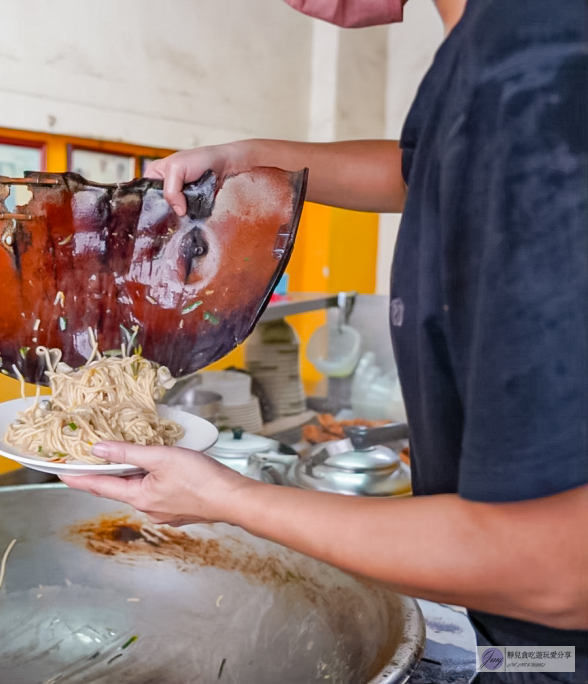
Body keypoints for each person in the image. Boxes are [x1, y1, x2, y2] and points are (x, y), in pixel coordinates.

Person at [61, 0, 588, 681]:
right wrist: (253, 160)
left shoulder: (534, 52)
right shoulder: (497, 51)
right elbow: (417, 169)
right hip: (520, 644)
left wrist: (227, 500)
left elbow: (558, 568)